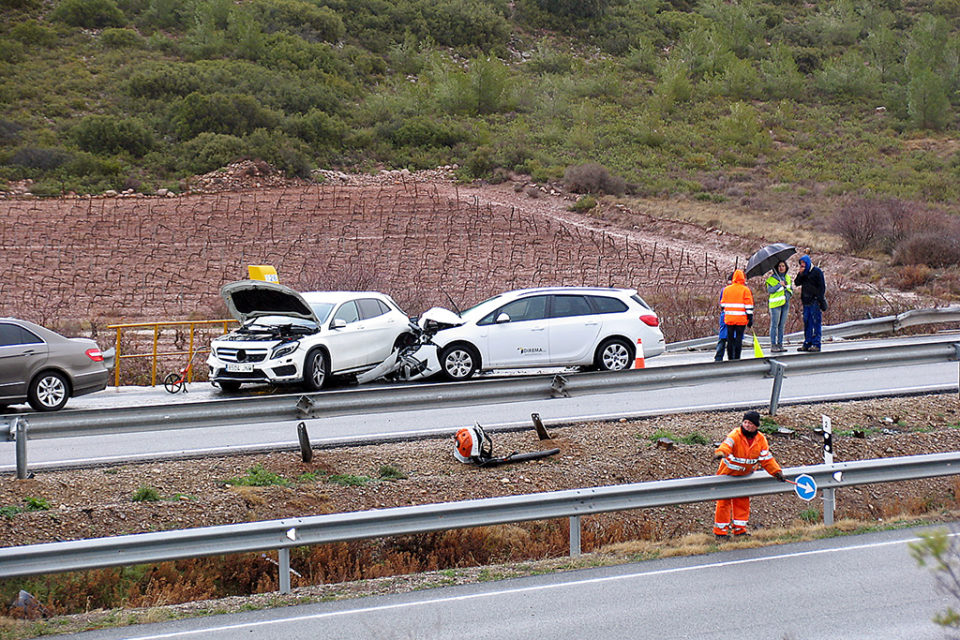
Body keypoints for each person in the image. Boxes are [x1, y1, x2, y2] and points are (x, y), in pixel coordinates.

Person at [713, 411, 786, 540]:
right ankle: (720, 532)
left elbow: (766, 459)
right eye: (745, 422)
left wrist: (776, 472)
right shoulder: (735, 434)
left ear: (756, 426)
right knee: (723, 503)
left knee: (742, 502)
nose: (746, 425)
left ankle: (740, 531)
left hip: (744, 476)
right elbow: (726, 446)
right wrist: (721, 453)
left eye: (750, 423)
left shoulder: (761, 439)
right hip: (727, 475)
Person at [719, 269, 753, 360]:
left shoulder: (727, 289)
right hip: (741, 319)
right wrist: (750, 319)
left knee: (730, 339)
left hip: (729, 319)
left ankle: (730, 358)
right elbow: (749, 306)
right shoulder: (745, 290)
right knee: (738, 339)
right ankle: (737, 358)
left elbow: (722, 305)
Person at [795, 254, 826, 352]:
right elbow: (797, 283)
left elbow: (822, 287)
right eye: (801, 264)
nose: (802, 266)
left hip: (814, 301)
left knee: (816, 322)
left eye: (804, 264)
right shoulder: (803, 273)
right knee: (807, 323)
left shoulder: (817, 272)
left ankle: (816, 343)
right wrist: (800, 274)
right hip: (806, 301)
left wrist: (820, 299)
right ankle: (807, 342)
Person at [766, 261, 793, 353]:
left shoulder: (787, 278)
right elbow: (770, 290)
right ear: (776, 268)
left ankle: (780, 344)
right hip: (775, 305)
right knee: (774, 325)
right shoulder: (771, 279)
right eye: (779, 266)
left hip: (785, 303)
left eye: (783, 266)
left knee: (781, 325)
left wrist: (788, 294)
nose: (781, 268)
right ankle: (773, 345)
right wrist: (779, 285)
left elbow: (790, 289)